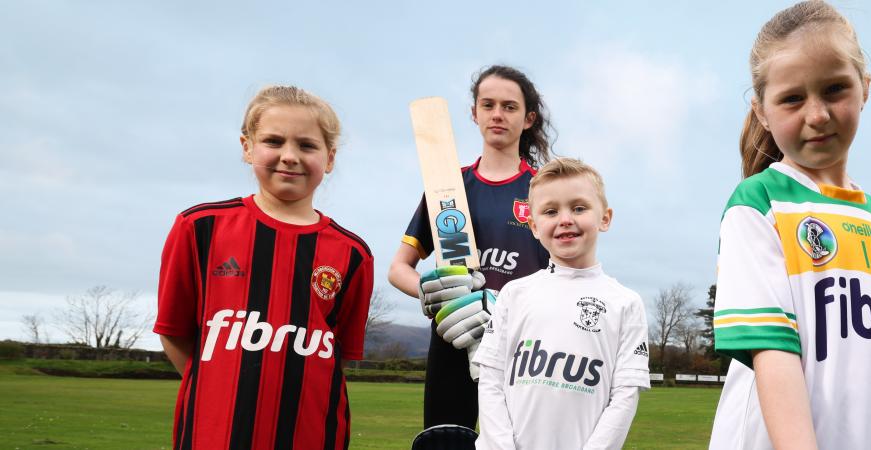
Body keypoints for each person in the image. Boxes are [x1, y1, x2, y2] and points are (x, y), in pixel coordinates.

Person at [709, 2, 871, 449]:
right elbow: (773, 354)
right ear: (762, 111)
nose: (817, 114)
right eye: (792, 98)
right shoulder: (758, 204)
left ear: (865, 88)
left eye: (834, 90)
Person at [155, 85, 373, 450]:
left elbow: (338, 357)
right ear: (247, 147)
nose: (289, 156)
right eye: (273, 141)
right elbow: (174, 332)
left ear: (330, 158)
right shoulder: (199, 227)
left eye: (307, 145)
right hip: (214, 435)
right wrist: (220, 385)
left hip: (312, 436)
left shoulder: (352, 253)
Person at [389, 65, 553, 430]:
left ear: (528, 118)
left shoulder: (545, 189)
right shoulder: (446, 186)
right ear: (474, 112)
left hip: (522, 343)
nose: (497, 114)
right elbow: (398, 267)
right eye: (488, 104)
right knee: (448, 440)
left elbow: (564, 272)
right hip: (454, 334)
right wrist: (432, 291)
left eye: (509, 107)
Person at [474, 158, 650, 449]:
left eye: (579, 208)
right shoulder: (513, 294)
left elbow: (625, 395)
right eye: (551, 211)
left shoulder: (626, 303)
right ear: (533, 226)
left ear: (604, 218)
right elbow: (491, 381)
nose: (565, 219)